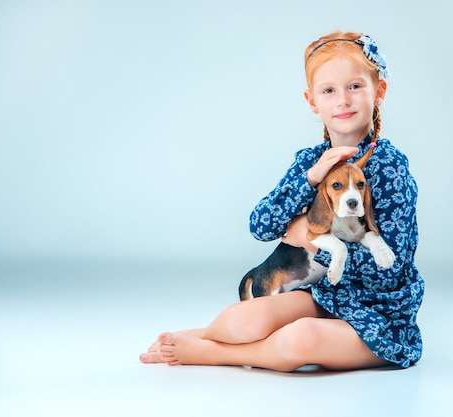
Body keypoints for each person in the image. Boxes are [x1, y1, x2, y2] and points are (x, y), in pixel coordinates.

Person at [140, 31, 424, 371]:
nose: (343, 100)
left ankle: (214, 352)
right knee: (248, 317)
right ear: (312, 101)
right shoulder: (310, 162)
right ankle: (204, 335)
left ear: (379, 92)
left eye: (355, 87)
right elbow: (260, 225)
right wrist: (310, 180)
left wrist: (308, 236)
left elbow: (391, 267)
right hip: (325, 295)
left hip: (379, 311)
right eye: (329, 90)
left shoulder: (389, 166)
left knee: (300, 337)